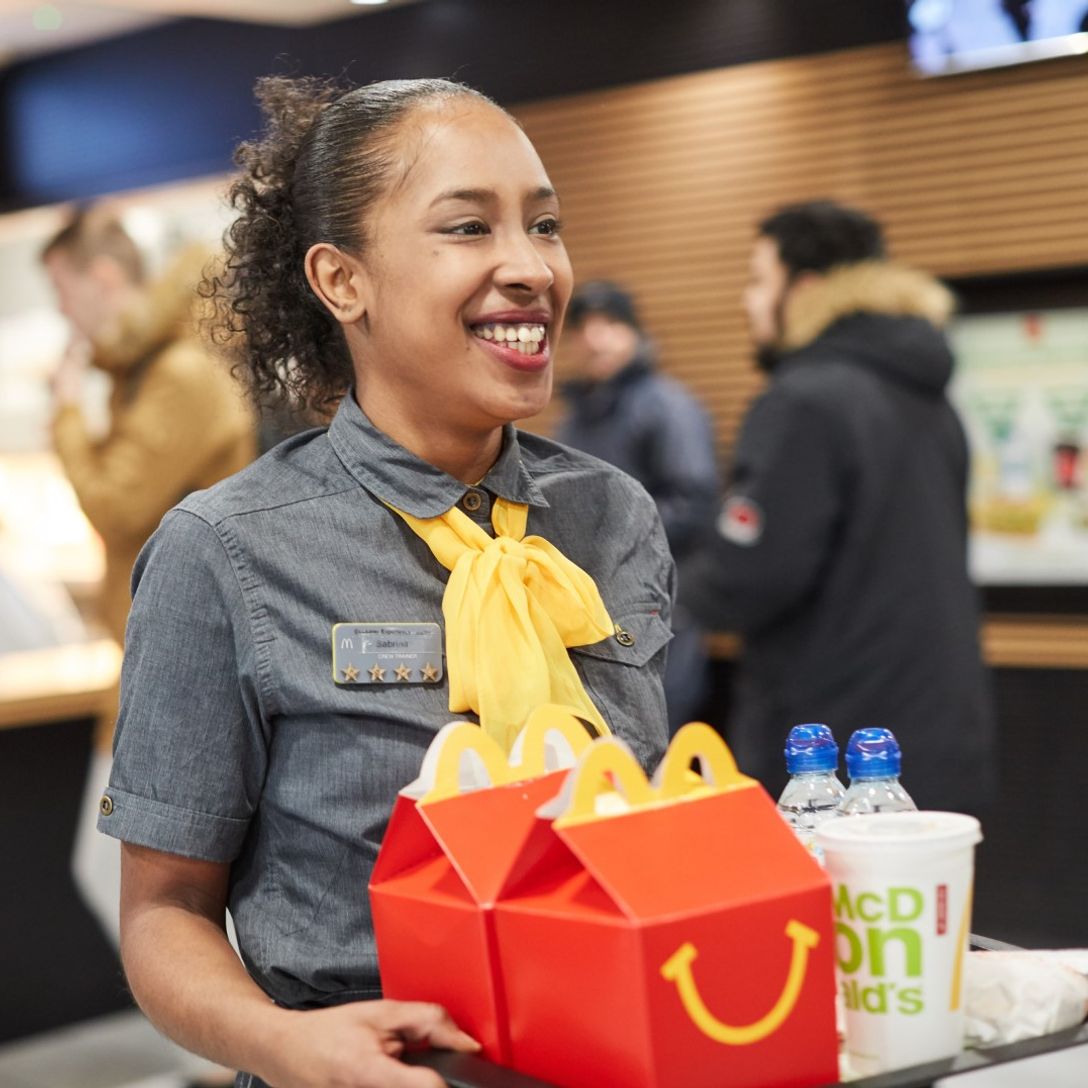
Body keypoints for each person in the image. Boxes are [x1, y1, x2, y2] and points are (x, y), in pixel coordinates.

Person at [97, 76, 672, 1088]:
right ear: (342, 280)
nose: (529, 266)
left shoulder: (609, 515)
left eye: (544, 225)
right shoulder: (225, 551)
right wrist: (286, 1043)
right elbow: (163, 910)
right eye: (466, 227)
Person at [679, 200, 996, 813]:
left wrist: (647, 597)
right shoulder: (931, 401)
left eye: (758, 281)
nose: (747, 302)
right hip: (932, 739)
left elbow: (753, 572)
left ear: (807, 288)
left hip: (832, 760)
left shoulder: (805, 400)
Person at [43, 207, 257, 1088]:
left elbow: (118, 505)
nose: (65, 317)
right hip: (159, 652)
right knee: (149, 874)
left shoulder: (175, 375)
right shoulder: (149, 373)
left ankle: (233, 1053)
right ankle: (225, 1056)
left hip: (186, 658)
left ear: (102, 280)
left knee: (141, 873)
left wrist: (64, 418)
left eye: (62, 293)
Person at [557, 281, 719, 730]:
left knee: (654, 728)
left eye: (610, 324)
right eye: (583, 328)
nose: (595, 338)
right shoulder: (573, 418)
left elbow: (693, 504)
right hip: (590, 605)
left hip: (663, 599)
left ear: (635, 334)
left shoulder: (667, 406)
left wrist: (605, 541)